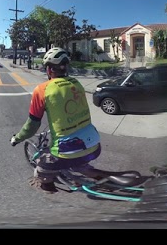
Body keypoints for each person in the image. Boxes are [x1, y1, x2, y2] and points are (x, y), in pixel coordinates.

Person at [10, 47, 102, 193]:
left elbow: (31, 127)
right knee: (77, 160)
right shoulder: (76, 84)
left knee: (40, 168)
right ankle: (88, 172)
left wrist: (17, 138)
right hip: (94, 143)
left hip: (67, 151)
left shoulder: (42, 90)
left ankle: (48, 187)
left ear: (49, 70)